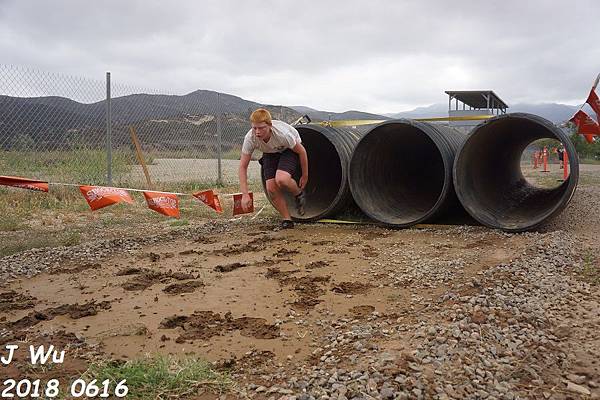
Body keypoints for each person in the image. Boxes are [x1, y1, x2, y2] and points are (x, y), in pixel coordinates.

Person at [238, 108, 308, 229]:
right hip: (269, 152)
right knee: (271, 188)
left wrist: (305, 175)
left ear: (269, 125)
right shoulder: (250, 138)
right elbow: (242, 167)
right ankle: (287, 219)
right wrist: (245, 194)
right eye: (254, 128)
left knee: (282, 179)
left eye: (261, 128)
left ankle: (298, 194)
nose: (257, 132)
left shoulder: (283, 135)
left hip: (288, 149)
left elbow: (302, 151)